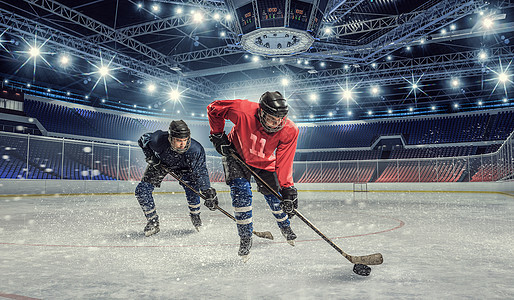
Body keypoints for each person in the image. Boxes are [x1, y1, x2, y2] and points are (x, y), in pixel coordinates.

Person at [207, 91, 299, 260]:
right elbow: (214, 108)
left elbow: (285, 160)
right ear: (262, 112)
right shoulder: (243, 110)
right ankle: (245, 237)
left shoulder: (290, 130)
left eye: (281, 119)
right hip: (237, 155)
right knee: (241, 194)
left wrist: (287, 187)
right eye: (272, 119)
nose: (277, 123)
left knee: (275, 198)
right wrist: (217, 134)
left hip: (264, 162)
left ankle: (285, 226)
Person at [135, 120, 218, 236]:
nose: (183, 144)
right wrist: (151, 157)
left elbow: (201, 171)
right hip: (161, 164)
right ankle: (152, 221)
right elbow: (142, 140)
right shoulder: (158, 140)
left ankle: (195, 216)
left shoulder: (195, 149)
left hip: (185, 167)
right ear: (170, 138)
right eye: (179, 141)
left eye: (185, 140)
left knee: (193, 189)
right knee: (141, 191)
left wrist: (207, 191)